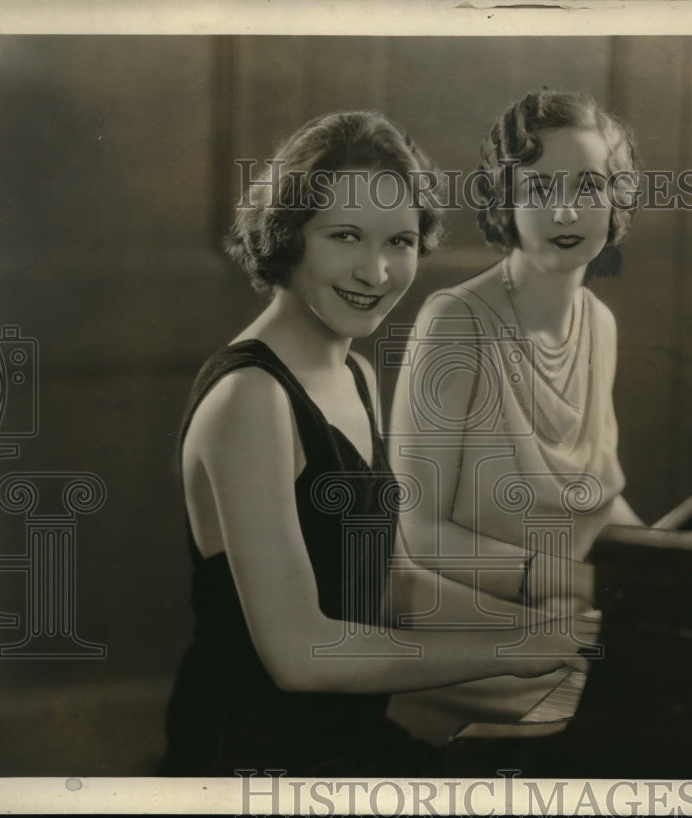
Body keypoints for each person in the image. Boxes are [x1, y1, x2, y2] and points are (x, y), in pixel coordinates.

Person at [159, 111, 594, 777]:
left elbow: (381, 583)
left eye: (400, 241)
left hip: (343, 744)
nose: (377, 271)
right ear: (289, 237)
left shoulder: (354, 374)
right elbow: (301, 653)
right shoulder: (252, 398)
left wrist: (542, 626)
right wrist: (513, 650)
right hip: (256, 761)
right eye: (344, 237)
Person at [387, 90, 643, 744]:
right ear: (504, 200)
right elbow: (417, 534)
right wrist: (572, 580)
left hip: (560, 610)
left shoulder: (600, 326)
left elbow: (595, 503)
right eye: (538, 188)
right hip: (453, 621)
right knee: (623, 704)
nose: (564, 210)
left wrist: (679, 564)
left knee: (678, 676)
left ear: (618, 199)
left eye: (589, 187)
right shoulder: (455, 322)